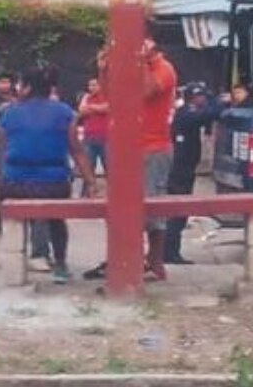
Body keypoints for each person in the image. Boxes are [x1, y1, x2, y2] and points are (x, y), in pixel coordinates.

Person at [0, 66, 97, 284]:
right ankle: (60, 264)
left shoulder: (9, 112)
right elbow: (77, 151)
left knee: (4, 206)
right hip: (53, 184)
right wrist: (91, 182)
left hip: (15, 184)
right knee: (57, 220)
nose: (17, 88)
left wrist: (0, 177)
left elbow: (3, 150)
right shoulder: (64, 112)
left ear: (28, 88)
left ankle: (12, 257)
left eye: (21, 84)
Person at [88, 37, 178, 282]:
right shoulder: (135, 68)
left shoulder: (163, 69)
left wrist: (142, 62)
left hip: (154, 148)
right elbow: (110, 95)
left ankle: (155, 261)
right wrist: (104, 68)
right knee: (119, 205)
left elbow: (147, 91)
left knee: (153, 206)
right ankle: (125, 258)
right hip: (127, 148)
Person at [164, 82, 224, 265]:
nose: (203, 99)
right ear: (193, 97)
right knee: (177, 212)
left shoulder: (190, 111)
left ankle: (171, 252)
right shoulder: (186, 113)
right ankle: (169, 252)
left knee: (180, 212)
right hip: (179, 170)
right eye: (201, 96)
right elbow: (210, 113)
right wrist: (219, 102)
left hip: (186, 169)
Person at [77, 77, 109, 181]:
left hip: (105, 138)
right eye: (90, 85)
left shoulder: (106, 95)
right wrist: (95, 107)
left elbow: (107, 108)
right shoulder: (86, 97)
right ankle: (87, 193)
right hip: (89, 138)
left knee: (109, 168)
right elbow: (81, 111)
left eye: (94, 85)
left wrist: (90, 107)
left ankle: (113, 192)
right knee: (88, 169)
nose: (92, 87)